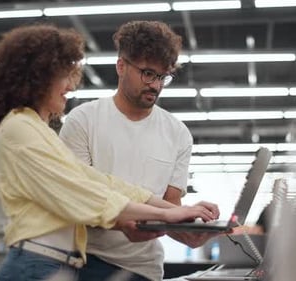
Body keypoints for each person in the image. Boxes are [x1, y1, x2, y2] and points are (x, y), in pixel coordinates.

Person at [0, 24, 219, 281]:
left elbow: (101, 182)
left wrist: (180, 215)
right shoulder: (21, 127)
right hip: (45, 264)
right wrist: (164, 214)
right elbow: (82, 193)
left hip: (59, 263)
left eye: (162, 77)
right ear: (38, 78)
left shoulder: (39, 129)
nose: (71, 87)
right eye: (64, 76)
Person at [60, 21, 219, 281]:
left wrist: (190, 232)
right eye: (147, 73)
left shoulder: (178, 134)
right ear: (121, 66)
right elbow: (77, 199)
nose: (155, 85)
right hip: (87, 264)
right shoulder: (83, 120)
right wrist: (124, 222)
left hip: (146, 268)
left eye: (162, 77)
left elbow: (170, 209)